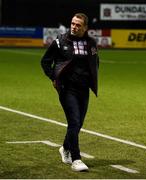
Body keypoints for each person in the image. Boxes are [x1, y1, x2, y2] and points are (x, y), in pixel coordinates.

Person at [41, 13, 99, 172]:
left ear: (85, 27)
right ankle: (76, 159)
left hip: (83, 89)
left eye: (78, 25)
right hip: (67, 88)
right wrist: (53, 77)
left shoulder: (91, 43)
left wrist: (91, 81)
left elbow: (95, 63)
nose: (74, 26)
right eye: (73, 23)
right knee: (74, 122)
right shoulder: (60, 41)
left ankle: (65, 148)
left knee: (78, 123)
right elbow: (45, 61)